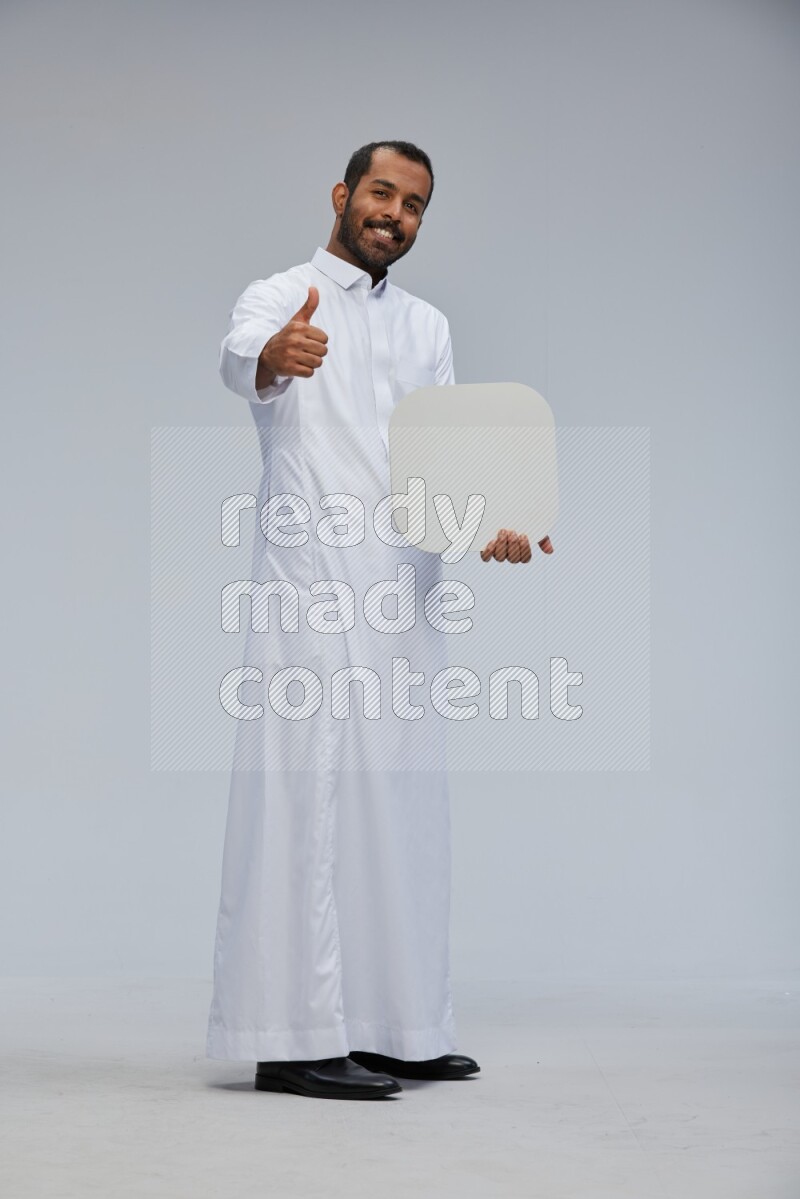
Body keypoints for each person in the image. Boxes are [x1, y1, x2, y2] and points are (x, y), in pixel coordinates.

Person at [206, 140, 552, 1101]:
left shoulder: (428, 326)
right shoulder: (279, 294)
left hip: (403, 589)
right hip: (311, 586)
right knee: (305, 801)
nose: (394, 213)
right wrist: (273, 358)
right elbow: (242, 363)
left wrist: (493, 523)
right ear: (342, 193)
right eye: (381, 192)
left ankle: (401, 1025)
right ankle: (293, 1035)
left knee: (400, 806)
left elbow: (439, 460)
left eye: (414, 205)